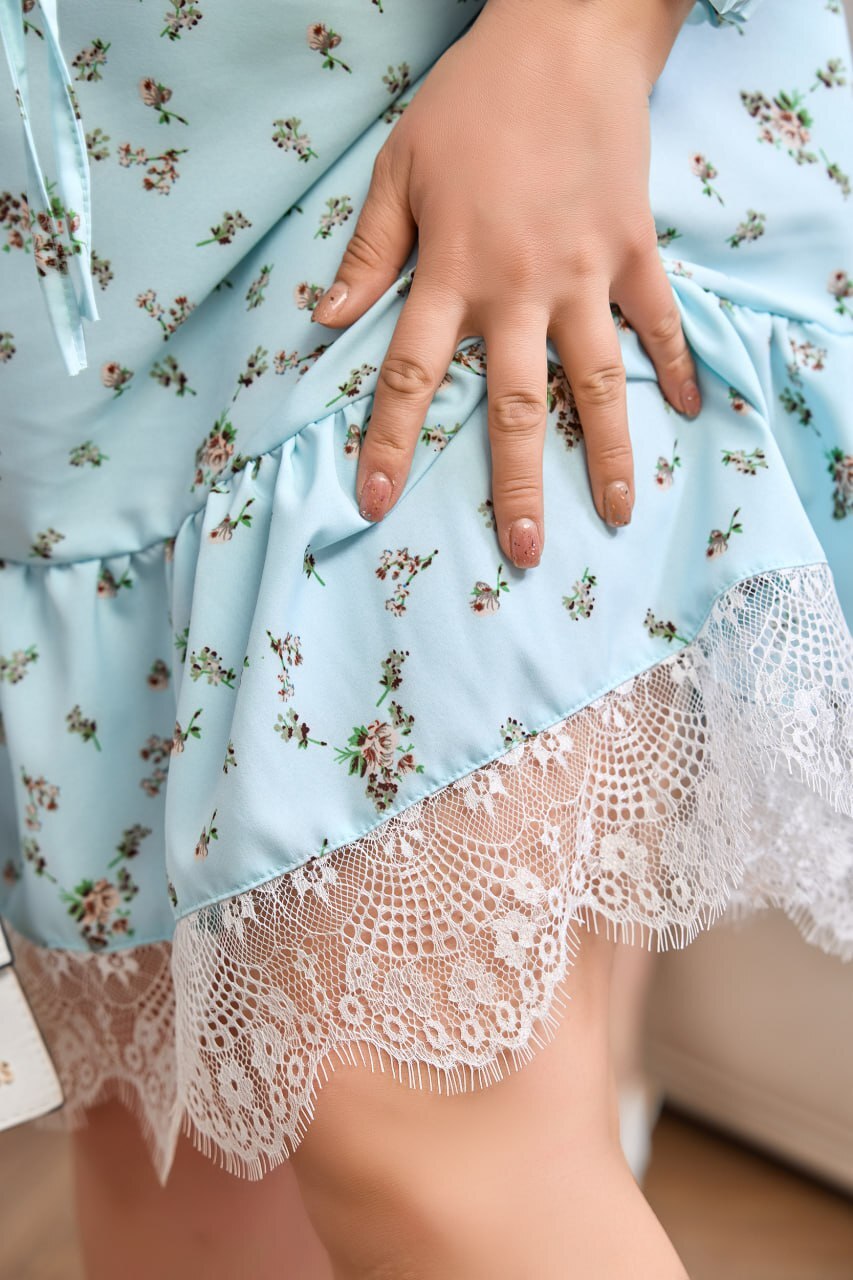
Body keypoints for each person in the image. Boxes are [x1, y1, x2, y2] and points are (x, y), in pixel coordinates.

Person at [0, 0, 851, 1275]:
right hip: (81, 272)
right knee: (192, 1162)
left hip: (438, 120)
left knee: (417, 1121)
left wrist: (579, 38)